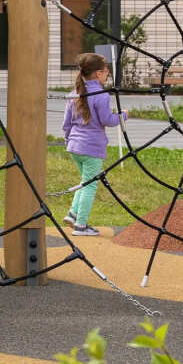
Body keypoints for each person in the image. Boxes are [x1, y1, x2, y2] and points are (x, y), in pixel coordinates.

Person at [60, 52, 122, 236]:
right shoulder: (101, 96)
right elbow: (107, 120)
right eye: (106, 71)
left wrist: (69, 140)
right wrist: (123, 116)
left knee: (85, 182)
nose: (107, 73)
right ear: (98, 73)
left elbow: (66, 124)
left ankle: (73, 214)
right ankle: (81, 225)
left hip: (75, 147)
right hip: (92, 148)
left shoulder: (74, 94)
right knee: (90, 185)